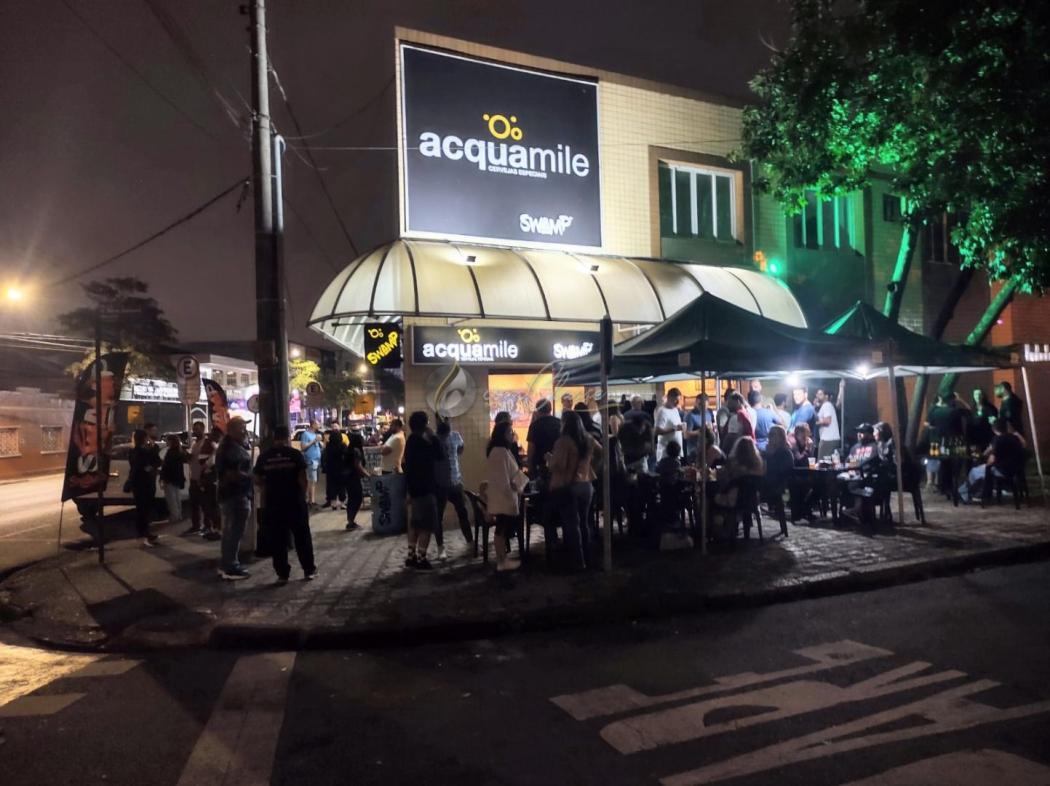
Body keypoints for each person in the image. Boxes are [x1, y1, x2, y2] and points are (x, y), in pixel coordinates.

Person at [253, 425, 316, 582]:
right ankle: (308, 570)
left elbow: (257, 479)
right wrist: (304, 497)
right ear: (288, 438)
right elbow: (302, 478)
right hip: (294, 502)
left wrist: (268, 487)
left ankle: (282, 574)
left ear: (274, 438)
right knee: (302, 537)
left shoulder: (264, 457)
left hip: (274, 503)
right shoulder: (294, 454)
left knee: (278, 540)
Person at [549, 411, 599, 571]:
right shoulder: (588, 439)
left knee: (572, 526)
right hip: (586, 485)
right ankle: (589, 558)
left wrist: (549, 460)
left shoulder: (563, 441)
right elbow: (601, 452)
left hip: (568, 486)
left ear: (565, 423)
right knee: (584, 523)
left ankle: (578, 561)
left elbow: (560, 465)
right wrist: (591, 466)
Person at [402, 411, 445, 570]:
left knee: (415, 523)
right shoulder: (424, 442)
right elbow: (440, 455)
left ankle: (411, 556)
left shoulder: (410, 441)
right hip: (426, 489)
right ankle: (422, 558)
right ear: (424, 424)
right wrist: (433, 436)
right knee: (427, 524)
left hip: (414, 490)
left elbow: (407, 466)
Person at [483, 420, 526, 571]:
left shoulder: (500, 450)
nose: (512, 434)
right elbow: (503, 478)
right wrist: (513, 489)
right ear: (503, 434)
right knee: (501, 530)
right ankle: (502, 560)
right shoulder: (500, 452)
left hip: (503, 495)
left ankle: (503, 559)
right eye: (509, 432)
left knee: (501, 529)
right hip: (503, 497)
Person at [215, 416, 254, 580]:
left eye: (245, 427)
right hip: (235, 495)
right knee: (234, 531)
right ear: (231, 430)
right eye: (241, 428)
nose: (244, 431)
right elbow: (230, 474)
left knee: (232, 531)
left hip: (236, 494)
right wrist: (250, 477)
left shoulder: (234, 445)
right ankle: (231, 566)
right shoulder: (229, 448)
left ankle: (228, 563)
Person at [959, 418, 1027, 503]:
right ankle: (979, 492)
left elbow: (992, 460)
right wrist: (1014, 431)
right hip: (1015, 469)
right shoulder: (1015, 438)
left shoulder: (997, 440)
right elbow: (1024, 444)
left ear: (994, 430)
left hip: (1001, 470)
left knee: (974, 471)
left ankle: (964, 494)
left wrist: (984, 463)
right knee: (982, 471)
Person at [434, 418, 472, 558]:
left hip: (455, 481)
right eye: (442, 420)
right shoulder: (434, 439)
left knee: (463, 512)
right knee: (438, 517)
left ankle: (470, 542)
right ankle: (440, 548)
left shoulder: (455, 435)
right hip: (440, 484)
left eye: (447, 420)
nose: (445, 422)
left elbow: (461, 448)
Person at [128, 428, 161, 547]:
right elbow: (155, 461)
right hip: (144, 484)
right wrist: (153, 448)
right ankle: (144, 534)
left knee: (141, 509)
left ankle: (143, 532)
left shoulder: (133, 451)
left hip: (138, 483)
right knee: (144, 509)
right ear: (144, 438)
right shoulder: (143, 452)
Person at [526, 398, 561, 479]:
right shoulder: (560, 423)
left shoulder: (535, 426)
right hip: (557, 465)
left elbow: (531, 449)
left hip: (540, 467)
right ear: (550, 409)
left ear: (538, 410)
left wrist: (530, 468)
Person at [343, 430, 369, 531]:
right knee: (357, 498)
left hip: (347, 477)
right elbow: (358, 466)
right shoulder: (356, 451)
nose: (363, 441)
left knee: (351, 499)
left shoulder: (349, 449)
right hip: (353, 477)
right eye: (361, 439)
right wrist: (368, 475)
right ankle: (351, 522)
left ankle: (350, 521)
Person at [160, 434, 186, 524]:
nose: (166, 442)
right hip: (177, 478)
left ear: (171, 441)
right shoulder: (179, 451)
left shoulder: (170, 452)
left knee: (171, 498)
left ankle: (174, 516)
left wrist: (162, 476)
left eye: (167, 440)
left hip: (169, 478)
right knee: (177, 497)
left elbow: (167, 467)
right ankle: (178, 515)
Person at [654, 387, 685, 462]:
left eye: (679, 400)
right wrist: (674, 428)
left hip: (676, 452)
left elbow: (676, 427)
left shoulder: (675, 410)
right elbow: (657, 431)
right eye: (676, 400)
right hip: (665, 454)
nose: (677, 402)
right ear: (669, 397)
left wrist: (682, 428)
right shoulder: (662, 411)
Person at [299, 420, 323, 509]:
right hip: (311, 460)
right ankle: (311, 501)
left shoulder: (316, 434)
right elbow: (303, 447)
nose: (319, 425)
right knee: (311, 481)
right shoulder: (305, 434)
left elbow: (321, 446)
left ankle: (312, 500)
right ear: (313, 425)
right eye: (318, 424)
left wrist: (320, 442)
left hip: (317, 460)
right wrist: (314, 441)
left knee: (314, 481)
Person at [322, 424, 347, 509]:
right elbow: (346, 456)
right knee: (342, 486)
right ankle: (342, 502)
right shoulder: (343, 445)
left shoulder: (328, 446)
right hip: (341, 468)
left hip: (331, 468)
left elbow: (325, 456)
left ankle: (333, 503)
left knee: (332, 485)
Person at [814, 387, 841, 460]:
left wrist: (816, 423)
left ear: (826, 396)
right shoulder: (825, 406)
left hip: (828, 439)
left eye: (820, 394)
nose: (817, 396)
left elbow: (827, 421)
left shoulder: (826, 405)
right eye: (817, 394)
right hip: (828, 439)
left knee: (823, 463)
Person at [683, 394, 712, 461]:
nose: (701, 407)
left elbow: (709, 430)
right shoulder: (690, 415)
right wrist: (699, 431)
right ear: (696, 403)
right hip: (693, 451)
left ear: (708, 404)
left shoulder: (708, 414)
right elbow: (686, 435)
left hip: (706, 450)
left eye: (704, 405)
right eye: (699, 404)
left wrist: (710, 429)